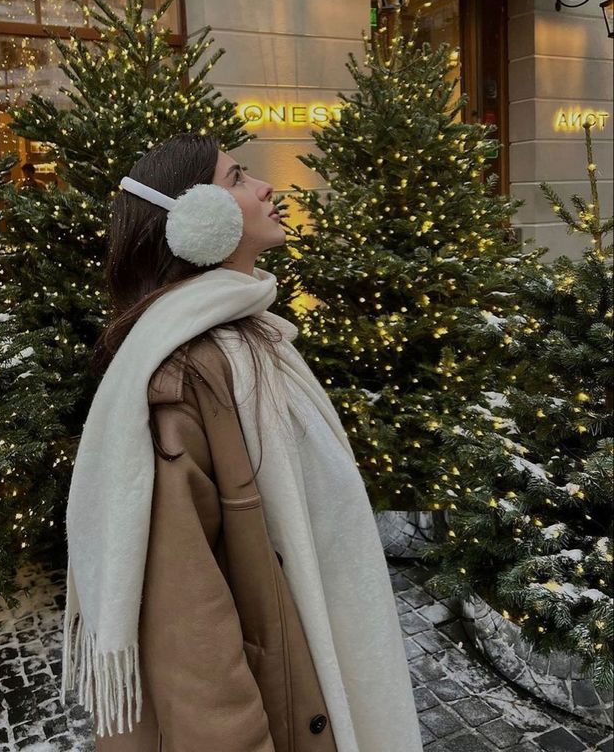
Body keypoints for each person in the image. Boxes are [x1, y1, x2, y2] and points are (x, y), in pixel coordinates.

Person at [61, 132, 424, 752]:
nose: (265, 188)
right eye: (238, 178)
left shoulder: (250, 335)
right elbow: (188, 623)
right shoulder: (195, 373)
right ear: (196, 220)